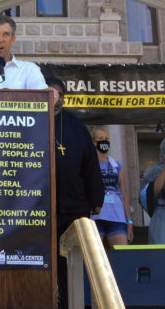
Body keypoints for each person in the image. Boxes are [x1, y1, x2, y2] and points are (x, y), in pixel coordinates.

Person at [46, 77, 104, 309]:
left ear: (63, 99)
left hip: (72, 209)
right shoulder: (31, 120)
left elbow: (90, 164)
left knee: (69, 266)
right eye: (50, 92)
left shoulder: (75, 126)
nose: (54, 98)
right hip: (38, 210)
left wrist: (96, 199)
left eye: (58, 94)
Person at [90, 126, 133, 246]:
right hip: (96, 216)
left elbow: (124, 194)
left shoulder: (117, 165)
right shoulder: (89, 165)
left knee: (121, 255)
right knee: (94, 257)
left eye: (106, 138)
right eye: (100, 138)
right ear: (94, 142)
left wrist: (129, 222)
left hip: (117, 216)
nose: (104, 141)